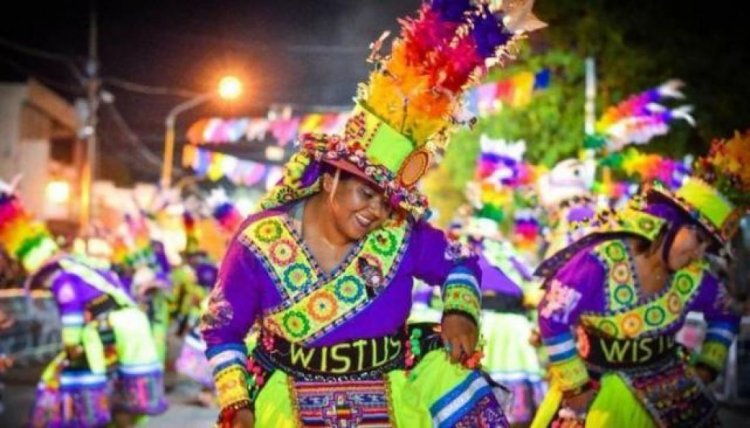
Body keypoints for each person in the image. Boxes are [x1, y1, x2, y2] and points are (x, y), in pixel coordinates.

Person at [200, 1, 546, 426]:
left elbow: (459, 261)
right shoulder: (260, 240)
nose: (377, 211)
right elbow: (223, 328)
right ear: (330, 180)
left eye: (388, 201)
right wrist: (238, 403)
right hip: (287, 403)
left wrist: (459, 312)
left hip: (393, 400)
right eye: (366, 193)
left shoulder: (402, 233)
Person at [530, 131, 749, 427]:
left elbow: (727, 312)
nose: (698, 253)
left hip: (673, 396)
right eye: (696, 238)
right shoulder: (601, 259)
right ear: (671, 223)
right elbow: (552, 314)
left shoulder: (695, 278)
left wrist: (709, 365)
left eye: (707, 248)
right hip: (596, 399)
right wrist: (576, 387)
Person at [0, 181, 167, 427]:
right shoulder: (80, 266)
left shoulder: (61, 278)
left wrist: (71, 345)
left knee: (69, 385)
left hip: (112, 332)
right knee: (123, 397)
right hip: (127, 329)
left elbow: (71, 313)